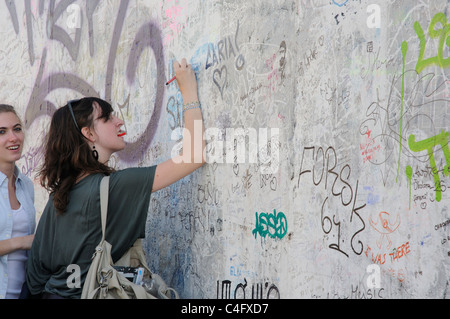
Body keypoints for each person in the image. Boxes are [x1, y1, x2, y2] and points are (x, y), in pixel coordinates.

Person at [26, 58, 205, 299]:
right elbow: (194, 155)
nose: (119, 121)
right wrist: (188, 90)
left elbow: (35, 278)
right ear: (88, 133)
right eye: (108, 117)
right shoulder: (113, 187)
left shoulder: (58, 197)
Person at [0, 104, 36, 299]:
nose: (13, 137)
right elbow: (27, 241)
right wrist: (22, 242)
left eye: (17, 128)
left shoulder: (26, 186)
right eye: (1, 132)